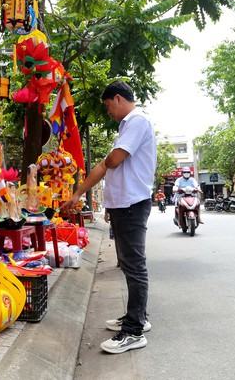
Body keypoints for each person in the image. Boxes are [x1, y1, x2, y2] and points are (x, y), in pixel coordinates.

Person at [60, 80, 156, 354]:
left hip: (132, 205)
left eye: (107, 106)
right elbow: (108, 163)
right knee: (128, 264)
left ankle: (134, 331)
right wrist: (79, 193)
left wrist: (81, 190)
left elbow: (112, 161)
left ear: (117, 98)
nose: (108, 112)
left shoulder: (137, 121)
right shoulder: (129, 125)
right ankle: (137, 317)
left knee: (134, 266)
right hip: (124, 205)